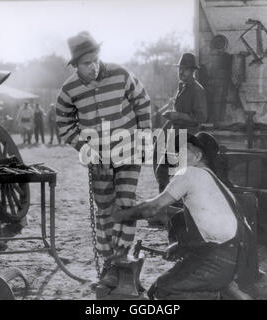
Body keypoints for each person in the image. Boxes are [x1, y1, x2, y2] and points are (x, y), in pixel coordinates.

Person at [55, 31, 151, 287]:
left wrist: (143, 136)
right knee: (105, 211)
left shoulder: (121, 74)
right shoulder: (68, 90)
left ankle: (122, 260)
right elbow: (64, 125)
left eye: (96, 59)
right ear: (75, 65)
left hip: (129, 151)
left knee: (126, 205)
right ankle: (109, 265)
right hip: (98, 160)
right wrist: (84, 149)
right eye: (86, 63)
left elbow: (142, 101)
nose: (93, 66)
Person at [112, 133, 251, 299]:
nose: (176, 159)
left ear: (198, 156)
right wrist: (182, 246)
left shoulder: (190, 173)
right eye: (175, 154)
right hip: (233, 260)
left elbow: (153, 208)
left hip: (216, 262)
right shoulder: (213, 180)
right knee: (164, 284)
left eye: (182, 154)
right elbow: (214, 228)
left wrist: (118, 216)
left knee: (161, 290)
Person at [156, 52, 208, 193]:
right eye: (180, 68)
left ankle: (168, 207)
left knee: (166, 172)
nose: (181, 71)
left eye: (185, 69)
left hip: (187, 138)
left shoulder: (197, 90)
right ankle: (168, 207)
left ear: (192, 71)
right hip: (176, 136)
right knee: (167, 173)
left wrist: (178, 115)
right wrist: (171, 115)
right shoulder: (182, 87)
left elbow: (201, 117)